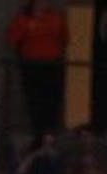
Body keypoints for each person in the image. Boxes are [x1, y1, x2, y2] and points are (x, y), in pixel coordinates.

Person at [7, 0, 69, 135]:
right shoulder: (24, 18)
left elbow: (65, 39)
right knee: (35, 101)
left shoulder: (56, 17)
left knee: (52, 100)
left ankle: (50, 133)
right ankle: (39, 133)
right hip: (32, 66)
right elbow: (12, 39)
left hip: (53, 65)